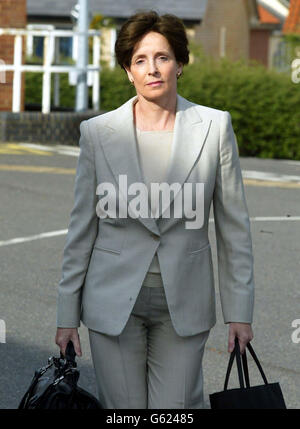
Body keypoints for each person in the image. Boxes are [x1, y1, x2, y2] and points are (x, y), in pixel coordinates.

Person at [55, 10, 255, 409]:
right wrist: (66, 316)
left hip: (185, 300)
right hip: (112, 301)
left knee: (175, 410)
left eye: (162, 57)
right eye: (140, 60)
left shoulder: (214, 127)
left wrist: (240, 313)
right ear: (128, 71)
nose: (152, 69)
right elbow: (81, 229)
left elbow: (234, 229)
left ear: (180, 63)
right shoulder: (97, 133)